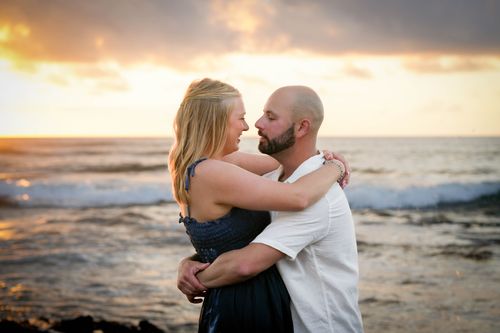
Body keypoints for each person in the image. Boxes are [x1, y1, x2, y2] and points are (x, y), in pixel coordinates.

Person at [178, 85, 364, 332]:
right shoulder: (272, 181)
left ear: (301, 127)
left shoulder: (319, 198)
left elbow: (245, 264)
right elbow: (239, 236)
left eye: (271, 117)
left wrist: (196, 278)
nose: (255, 123)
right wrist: (192, 260)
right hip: (274, 316)